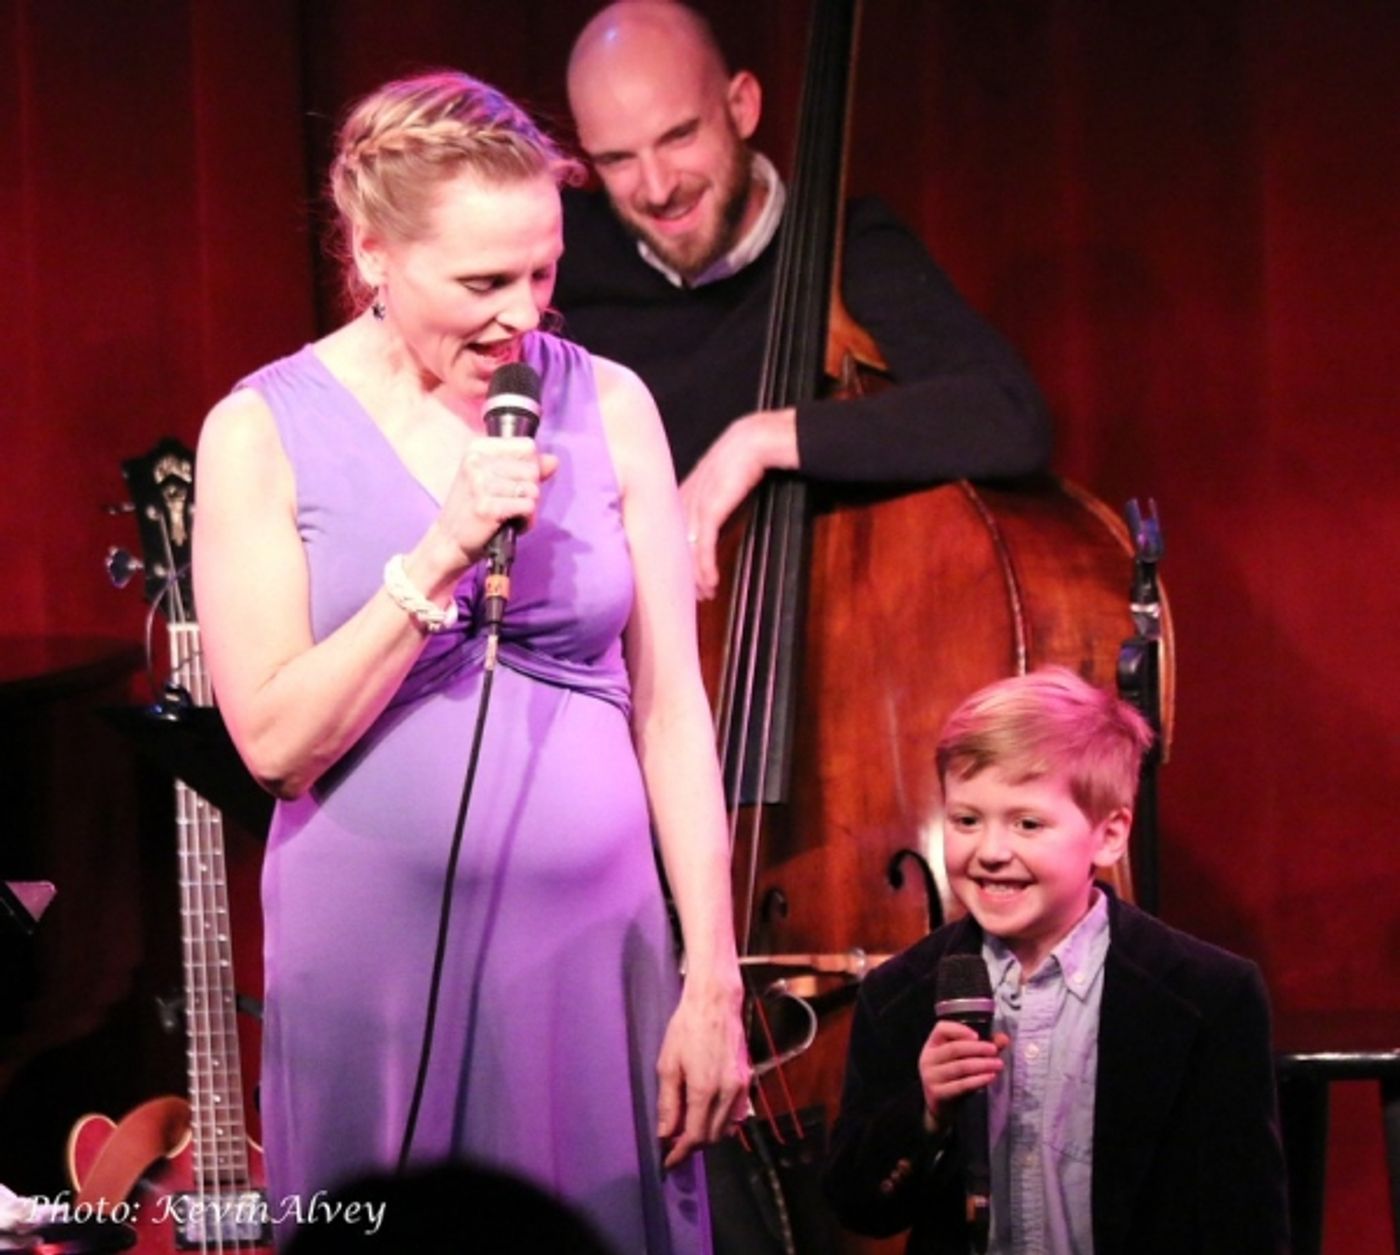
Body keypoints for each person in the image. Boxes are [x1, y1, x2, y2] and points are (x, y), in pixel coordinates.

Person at [191, 70, 750, 1254]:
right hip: (370, 964)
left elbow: (671, 711)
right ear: (375, 253)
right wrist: (437, 553)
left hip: (596, 962)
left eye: (542, 271)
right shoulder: (258, 430)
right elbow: (277, 747)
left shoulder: (612, 405)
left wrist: (714, 977)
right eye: (483, 281)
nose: (523, 315)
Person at [557, 1, 1052, 598]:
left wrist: (762, 439)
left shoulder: (848, 254)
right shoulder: (564, 261)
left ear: (742, 107)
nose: (658, 187)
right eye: (618, 160)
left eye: (680, 136)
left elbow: (1008, 416)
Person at [822, 668, 1289, 1254]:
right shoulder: (900, 992)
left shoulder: (1207, 996)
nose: (991, 852)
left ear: (1110, 835)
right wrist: (925, 1115)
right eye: (967, 820)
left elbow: (1244, 1223)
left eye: (1027, 823)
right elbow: (859, 1205)